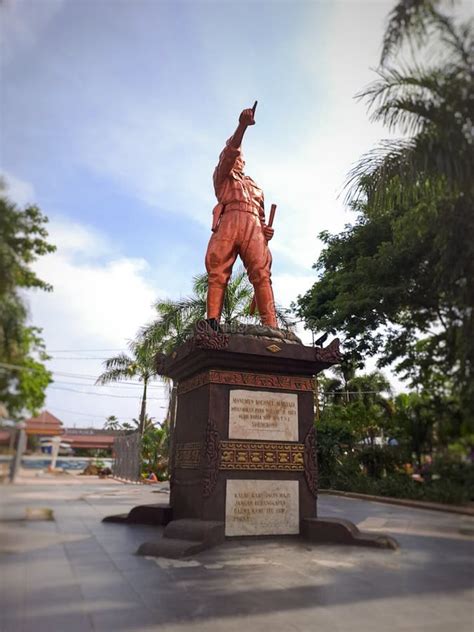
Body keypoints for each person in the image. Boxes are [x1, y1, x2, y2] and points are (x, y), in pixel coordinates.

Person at [205, 106, 278, 328]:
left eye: (240, 157)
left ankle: (271, 326)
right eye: (235, 156)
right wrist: (242, 127)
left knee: (262, 274)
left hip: (253, 226)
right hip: (230, 220)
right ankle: (212, 323)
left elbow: (261, 216)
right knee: (218, 271)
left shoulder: (255, 187)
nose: (238, 158)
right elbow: (230, 152)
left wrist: (265, 230)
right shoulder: (222, 177)